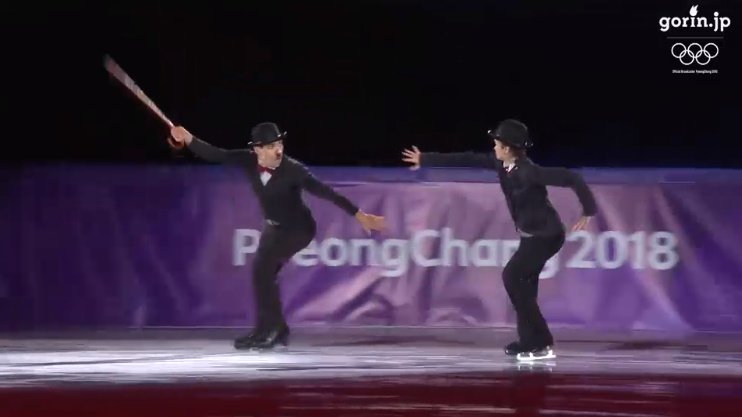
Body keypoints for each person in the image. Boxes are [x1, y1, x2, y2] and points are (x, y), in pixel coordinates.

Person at [169, 122, 386, 350]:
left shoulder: (293, 170)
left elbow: (326, 192)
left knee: (265, 268)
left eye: (279, 143)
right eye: (272, 146)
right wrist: (189, 139)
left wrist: (359, 214)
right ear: (258, 149)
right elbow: (217, 155)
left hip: (299, 229)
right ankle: (270, 329)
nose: (278, 150)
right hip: (274, 228)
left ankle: (272, 330)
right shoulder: (248, 160)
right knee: (261, 274)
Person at [401, 119, 597, 361]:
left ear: (507, 148)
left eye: (496, 144)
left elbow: (572, 178)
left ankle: (541, 340)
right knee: (524, 287)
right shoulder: (501, 164)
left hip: (547, 236)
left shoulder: (528, 172)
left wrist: (589, 211)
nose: (493, 147)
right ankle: (531, 342)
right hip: (531, 236)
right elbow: (468, 159)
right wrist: (425, 159)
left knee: (512, 277)